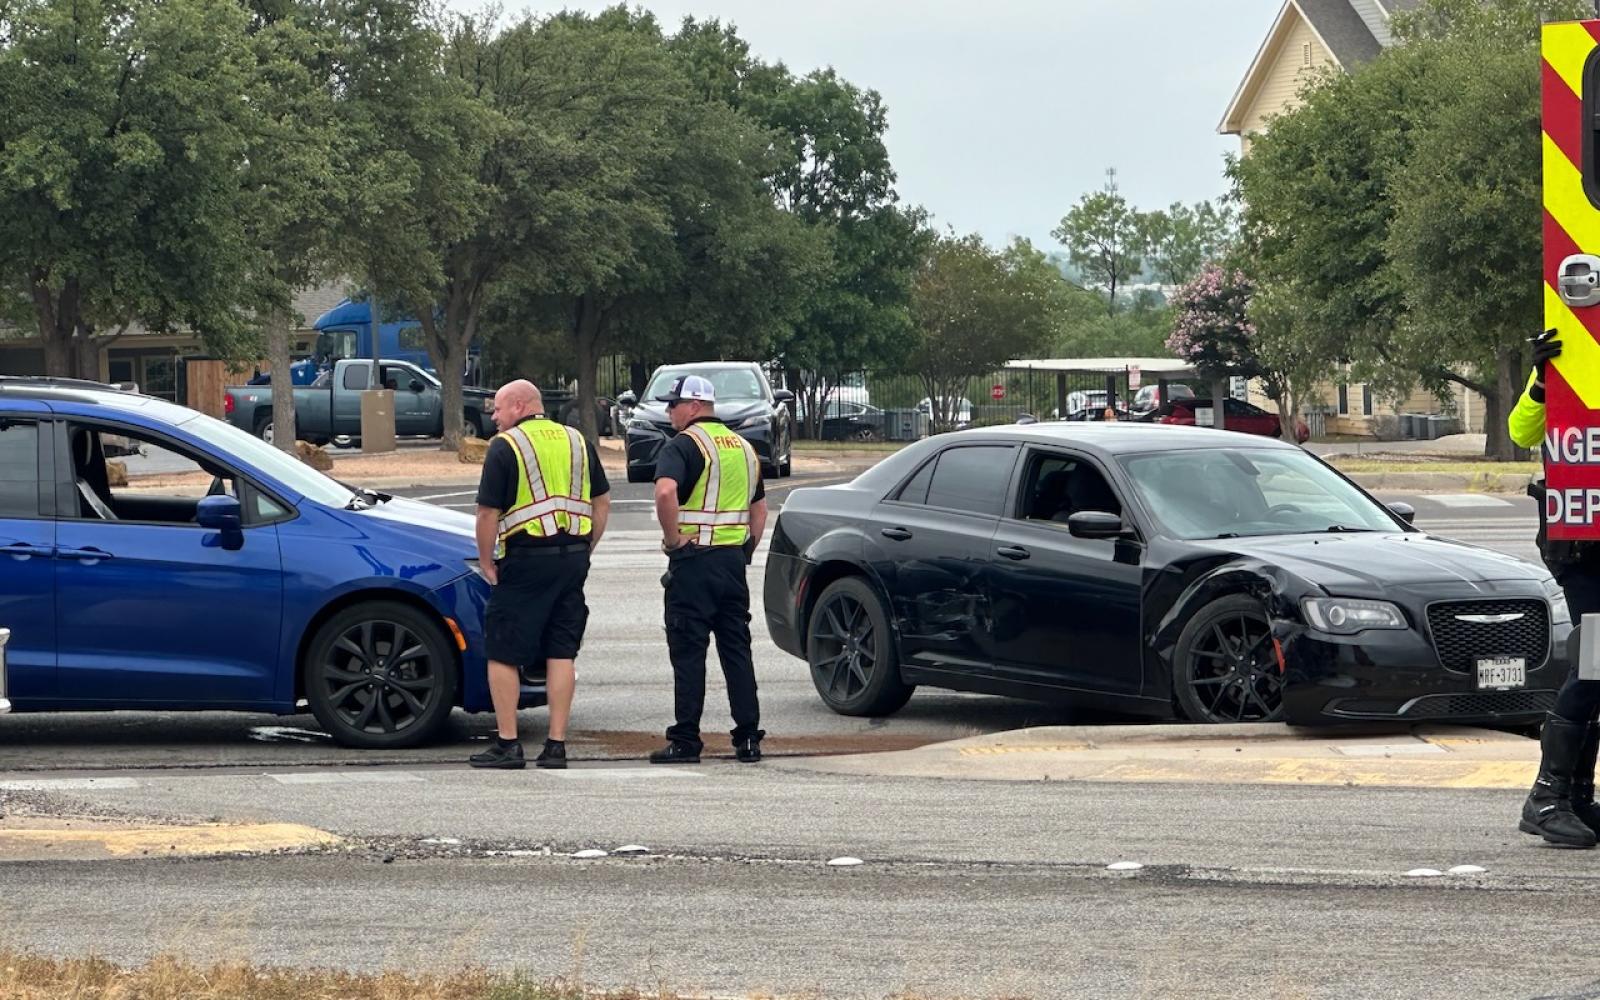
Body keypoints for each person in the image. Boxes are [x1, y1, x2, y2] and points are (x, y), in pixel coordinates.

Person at [469, 379, 610, 770]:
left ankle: (508, 744)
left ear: (518, 406)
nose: (494, 418)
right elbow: (601, 501)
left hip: (526, 559)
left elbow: (487, 513)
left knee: (503, 649)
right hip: (572, 558)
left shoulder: (507, 446)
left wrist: (486, 561)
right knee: (561, 650)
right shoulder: (577, 441)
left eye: (498, 409)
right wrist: (587, 546)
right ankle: (556, 745)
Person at [648, 374, 768, 764]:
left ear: (695, 406)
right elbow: (759, 509)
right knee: (736, 651)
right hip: (732, 564)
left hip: (693, 561)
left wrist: (673, 540)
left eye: (674, 404)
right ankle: (748, 739)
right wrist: (746, 549)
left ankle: (686, 740)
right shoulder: (744, 448)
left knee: (688, 652)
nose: (669, 412)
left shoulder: (683, 444)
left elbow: (665, 491)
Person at [1511, 328, 1600, 847]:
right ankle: (1546, 798)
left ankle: (1577, 798)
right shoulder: (1569, 366)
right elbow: (1521, 431)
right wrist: (1542, 380)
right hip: (1581, 549)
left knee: (1598, 669)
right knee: (1593, 665)